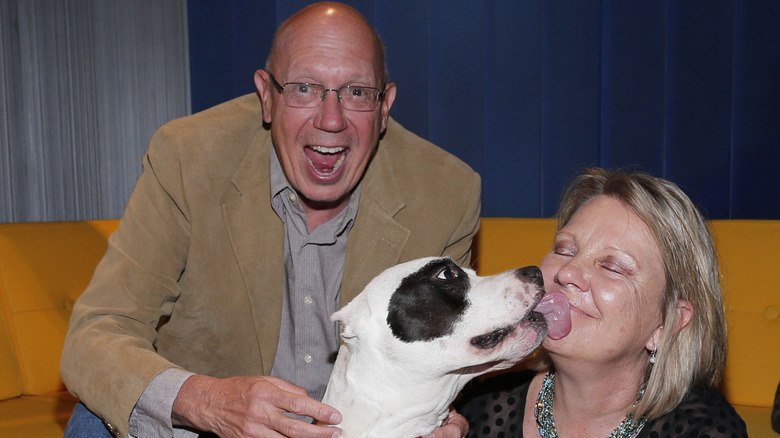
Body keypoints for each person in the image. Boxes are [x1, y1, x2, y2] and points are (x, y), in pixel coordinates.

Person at [60, 3, 478, 437]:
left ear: (385, 106)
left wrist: (440, 420)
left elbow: (448, 352)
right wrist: (207, 402)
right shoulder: (188, 158)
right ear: (266, 96)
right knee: (97, 418)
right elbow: (96, 335)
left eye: (356, 92)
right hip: (207, 428)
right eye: (303, 88)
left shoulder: (446, 193)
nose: (331, 120)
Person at [457, 168, 747, 437]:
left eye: (613, 267)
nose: (567, 271)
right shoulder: (474, 407)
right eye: (564, 249)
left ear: (667, 323)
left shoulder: (705, 429)